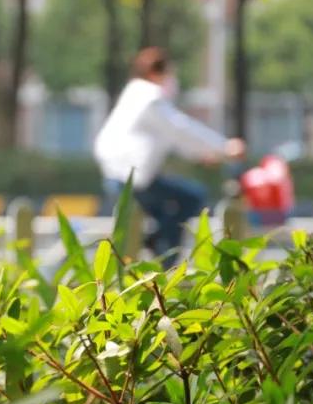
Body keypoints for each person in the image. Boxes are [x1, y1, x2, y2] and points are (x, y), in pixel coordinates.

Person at [95, 47, 246, 264]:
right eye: (170, 74)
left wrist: (205, 153)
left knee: (165, 217)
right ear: (157, 73)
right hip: (134, 180)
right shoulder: (150, 98)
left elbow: (172, 138)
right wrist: (224, 147)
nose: (172, 80)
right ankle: (164, 262)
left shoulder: (133, 95)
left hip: (118, 176)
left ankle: (153, 245)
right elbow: (180, 129)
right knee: (192, 197)